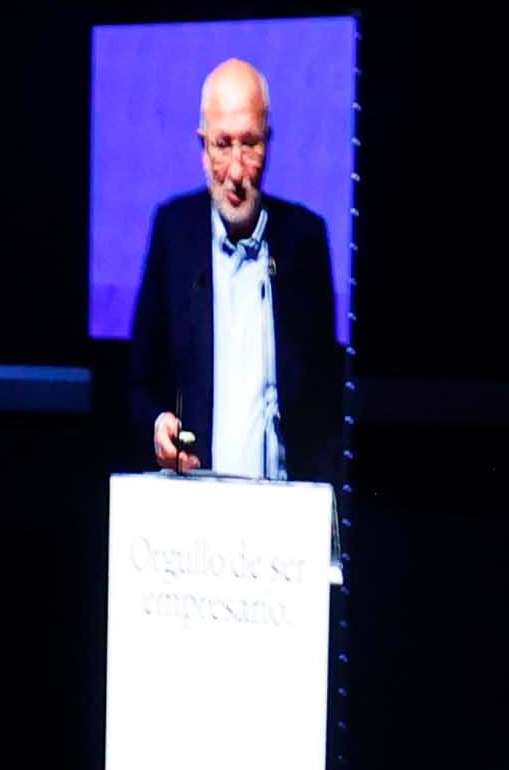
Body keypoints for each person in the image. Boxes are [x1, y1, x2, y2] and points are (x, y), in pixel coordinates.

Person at [119, 50, 347, 488]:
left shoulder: (305, 241)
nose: (237, 170)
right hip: (198, 507)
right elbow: (139, 384)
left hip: (286, 505)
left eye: (251, 144)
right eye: (223, 145)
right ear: (203, 148)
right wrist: (158, 425)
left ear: (269, 142)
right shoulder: (173, 233)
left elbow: (325, 400)